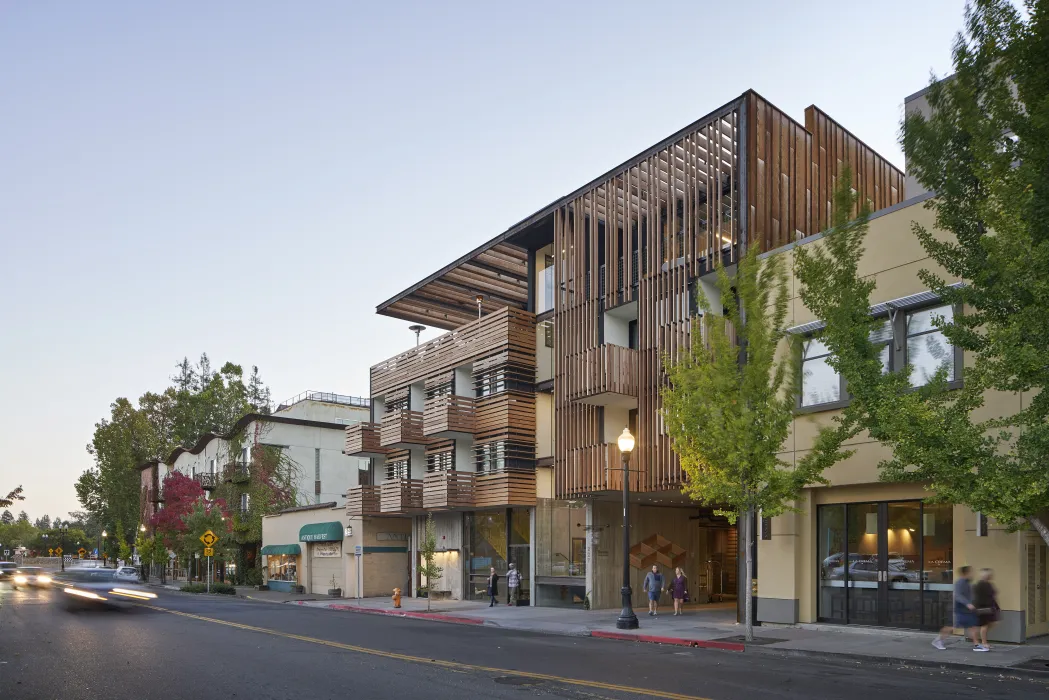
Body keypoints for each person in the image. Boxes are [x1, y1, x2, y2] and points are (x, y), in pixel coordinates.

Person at [932, 565, 978, 650]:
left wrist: (972, 603)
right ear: (966, 573)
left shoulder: (967, 582)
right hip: (960, 609)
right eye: (971, 572)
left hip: (966, 610)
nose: (972, 574)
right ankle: (938, 640)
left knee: (973, 626)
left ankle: (977, 645)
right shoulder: (960, 582)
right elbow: (958, 595)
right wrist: (967, 603)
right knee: (952, 627)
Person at [972, 568, 998, 652]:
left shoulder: (988, 584)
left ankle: (981, 642)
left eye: (990, 574)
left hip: (988, 607)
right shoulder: (980, 584)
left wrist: (996, 607)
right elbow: (978, 598)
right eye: (988, 574)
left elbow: (992, 596)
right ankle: (983, 643)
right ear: (984, 575)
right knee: (984, 625)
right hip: (982, 608)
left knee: (988, 624)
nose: (990, 576)